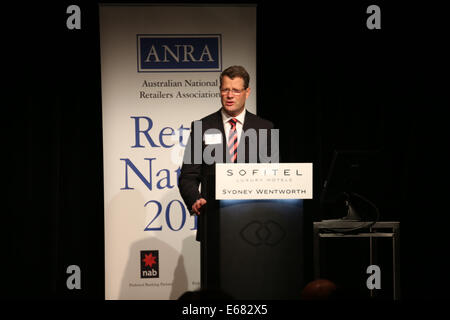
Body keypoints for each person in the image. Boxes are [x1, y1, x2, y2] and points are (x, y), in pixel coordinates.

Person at [178, 65, 278, 289]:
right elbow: (187, 176)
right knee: (215, 289)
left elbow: (274, 178)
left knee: (253, 286)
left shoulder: (265, 128)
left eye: (235, 90)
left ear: (247, 92)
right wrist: (195, 198)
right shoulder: (202, 127)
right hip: (214, 222)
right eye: (225, 90)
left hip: (256, 224)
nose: (230, 95)